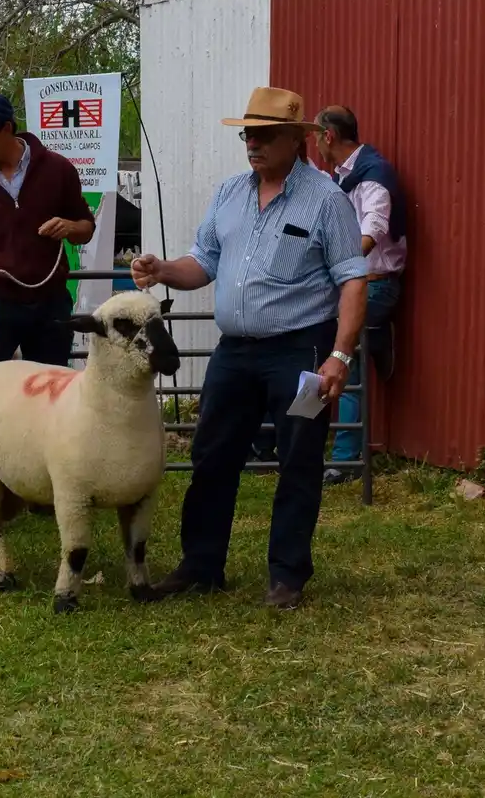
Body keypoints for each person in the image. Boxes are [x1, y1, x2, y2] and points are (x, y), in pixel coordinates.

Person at [131, 87, 367, 611]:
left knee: (299, 460)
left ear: (296, 140)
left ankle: (286, 576)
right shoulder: (229, 194)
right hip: (234, 352)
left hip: (301, 352)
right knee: (211, 455)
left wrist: (339, 355)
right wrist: (163, 270)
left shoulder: (327, 200)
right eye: (247, 134)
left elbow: (353, 280)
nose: (251, 144)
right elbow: (204, 263)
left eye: (263, 135)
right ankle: (200, 566)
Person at [0, 93, 97, 528]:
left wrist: (71, 227)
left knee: (53, 401)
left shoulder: (59, 170)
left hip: (49, 301)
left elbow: (85, 225)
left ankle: (47, 495)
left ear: (7, 130)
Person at [310, 104, 406, 484]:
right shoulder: (340, 177)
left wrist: (343, 264)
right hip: (349, 284)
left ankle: (346, 461)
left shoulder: (372, 174)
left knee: (341, 356)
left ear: (328, 136)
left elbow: (375, 228)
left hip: (375, 284)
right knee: (311, 341)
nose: (316, 144)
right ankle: (378, 336)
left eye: (317, 136)